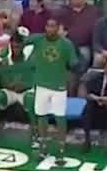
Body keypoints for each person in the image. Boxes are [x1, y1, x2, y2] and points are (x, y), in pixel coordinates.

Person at [27, 16, 79, 163]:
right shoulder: (38, 40)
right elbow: (22, 40)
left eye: (53, 26)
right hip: (41, 84)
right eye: (48, 26)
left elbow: (74, 63)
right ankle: (43, 147)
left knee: (60, 118)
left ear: (58, 28)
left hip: (58, 86)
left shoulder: (66, 44)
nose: (50, 29)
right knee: (41, 116)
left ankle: (61, 150)